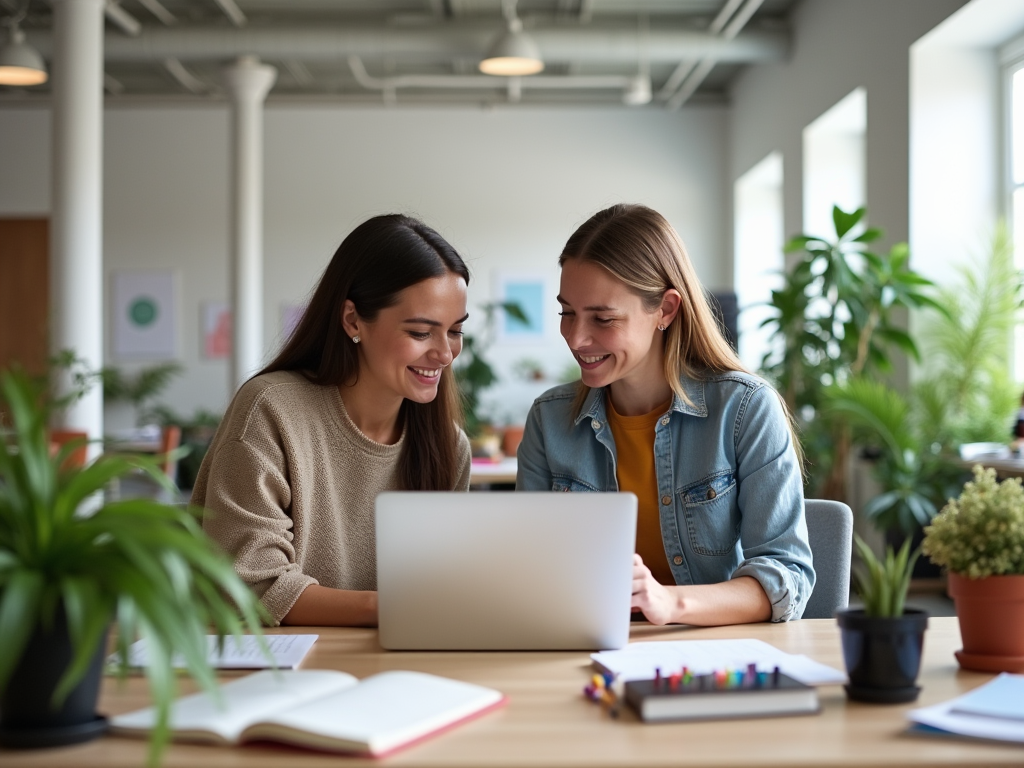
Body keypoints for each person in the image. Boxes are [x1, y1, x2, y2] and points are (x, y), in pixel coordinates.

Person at [516, 204, 814, 626]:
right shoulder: (549, 420)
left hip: (713, 652)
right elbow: (528, 569)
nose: (576, 337)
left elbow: (786, 576)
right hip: (583, 646)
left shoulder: (745, 409)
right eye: (567, 312)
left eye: (602, 318)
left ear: (666, 310)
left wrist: (667, 602)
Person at [194, 214, 472, 627]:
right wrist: (389, 608)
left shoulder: (448, 445)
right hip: (269, 674)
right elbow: (249, 587)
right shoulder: (270, 411)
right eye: (420, 332)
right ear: (352, 320)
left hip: (399, 671)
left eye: (454, 331)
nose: (445, 354)